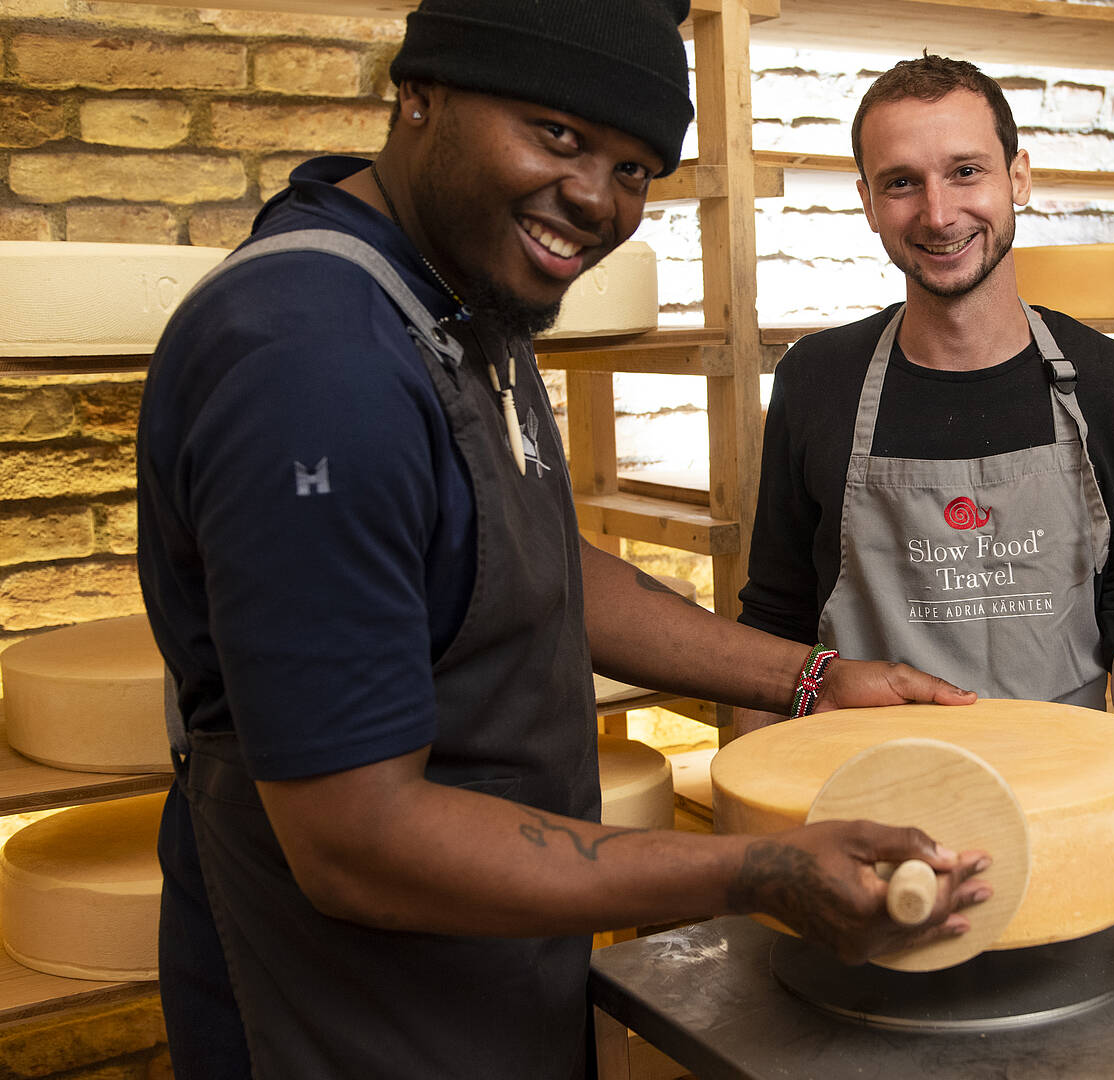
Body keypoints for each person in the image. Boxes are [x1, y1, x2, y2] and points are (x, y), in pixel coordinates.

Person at [135, 3, 995, 1077]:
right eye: (556, 134)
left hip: (490, 979)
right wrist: (749, 874)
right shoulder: (317, 365)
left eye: (634, 168)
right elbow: (357, 843)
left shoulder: (455, 292)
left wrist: (816, 680)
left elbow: (524, 562)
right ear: (420, 95)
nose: (595, 199)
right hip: (346, 1013)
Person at [737, 55, 1114, 836]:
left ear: (1018, 177)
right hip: (863, 809)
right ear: (866, 202)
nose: (940, 213)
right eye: (901, 183)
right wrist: (755, 819)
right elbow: (775, 618)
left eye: (965, 172)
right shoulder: (817, 382)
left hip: (1066, 805)